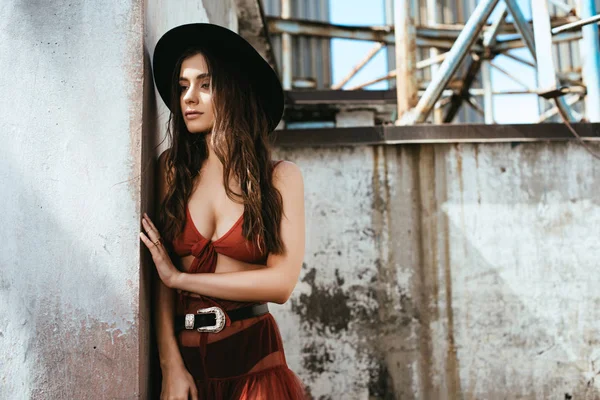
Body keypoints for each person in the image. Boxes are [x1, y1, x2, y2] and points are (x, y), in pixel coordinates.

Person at [139, 23, 306, 399]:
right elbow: (159, 275)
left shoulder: (279, 178)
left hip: (254, 363)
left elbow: (280, 284)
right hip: (186, 366)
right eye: (183, 86)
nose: (189, 98)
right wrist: (169, 365)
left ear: (233, 90)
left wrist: (181, 280)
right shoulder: (172, 170)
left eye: (205, 84)